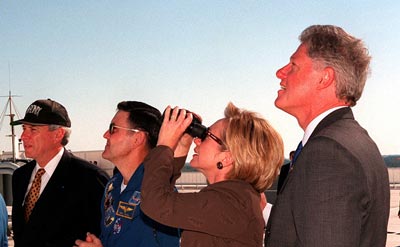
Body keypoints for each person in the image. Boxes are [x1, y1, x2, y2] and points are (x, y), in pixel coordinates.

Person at [264, 25, 390, 247]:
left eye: (293, 65)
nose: (280, 72)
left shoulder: (329, 153)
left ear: (325, 78)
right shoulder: (352, 140)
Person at [140, 102, 284, 246]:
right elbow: (162, 195)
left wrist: (165, 144)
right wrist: (182, 146)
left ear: (227, 157)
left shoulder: (231, 202)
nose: (197, 140)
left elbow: (155, 202)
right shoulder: (235, 197)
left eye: (207, 136)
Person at [74, 101, 180, 247]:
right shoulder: (112, 186)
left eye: (113, 129)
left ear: (138, 138)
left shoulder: (159, 195)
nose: (105, 135)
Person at [11, 99, 110, 247]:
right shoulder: (20, 176)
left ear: (58, 134)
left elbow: (102, 236)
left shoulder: (89, 178)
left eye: (32, 129)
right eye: (24, 128)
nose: (23, 136)